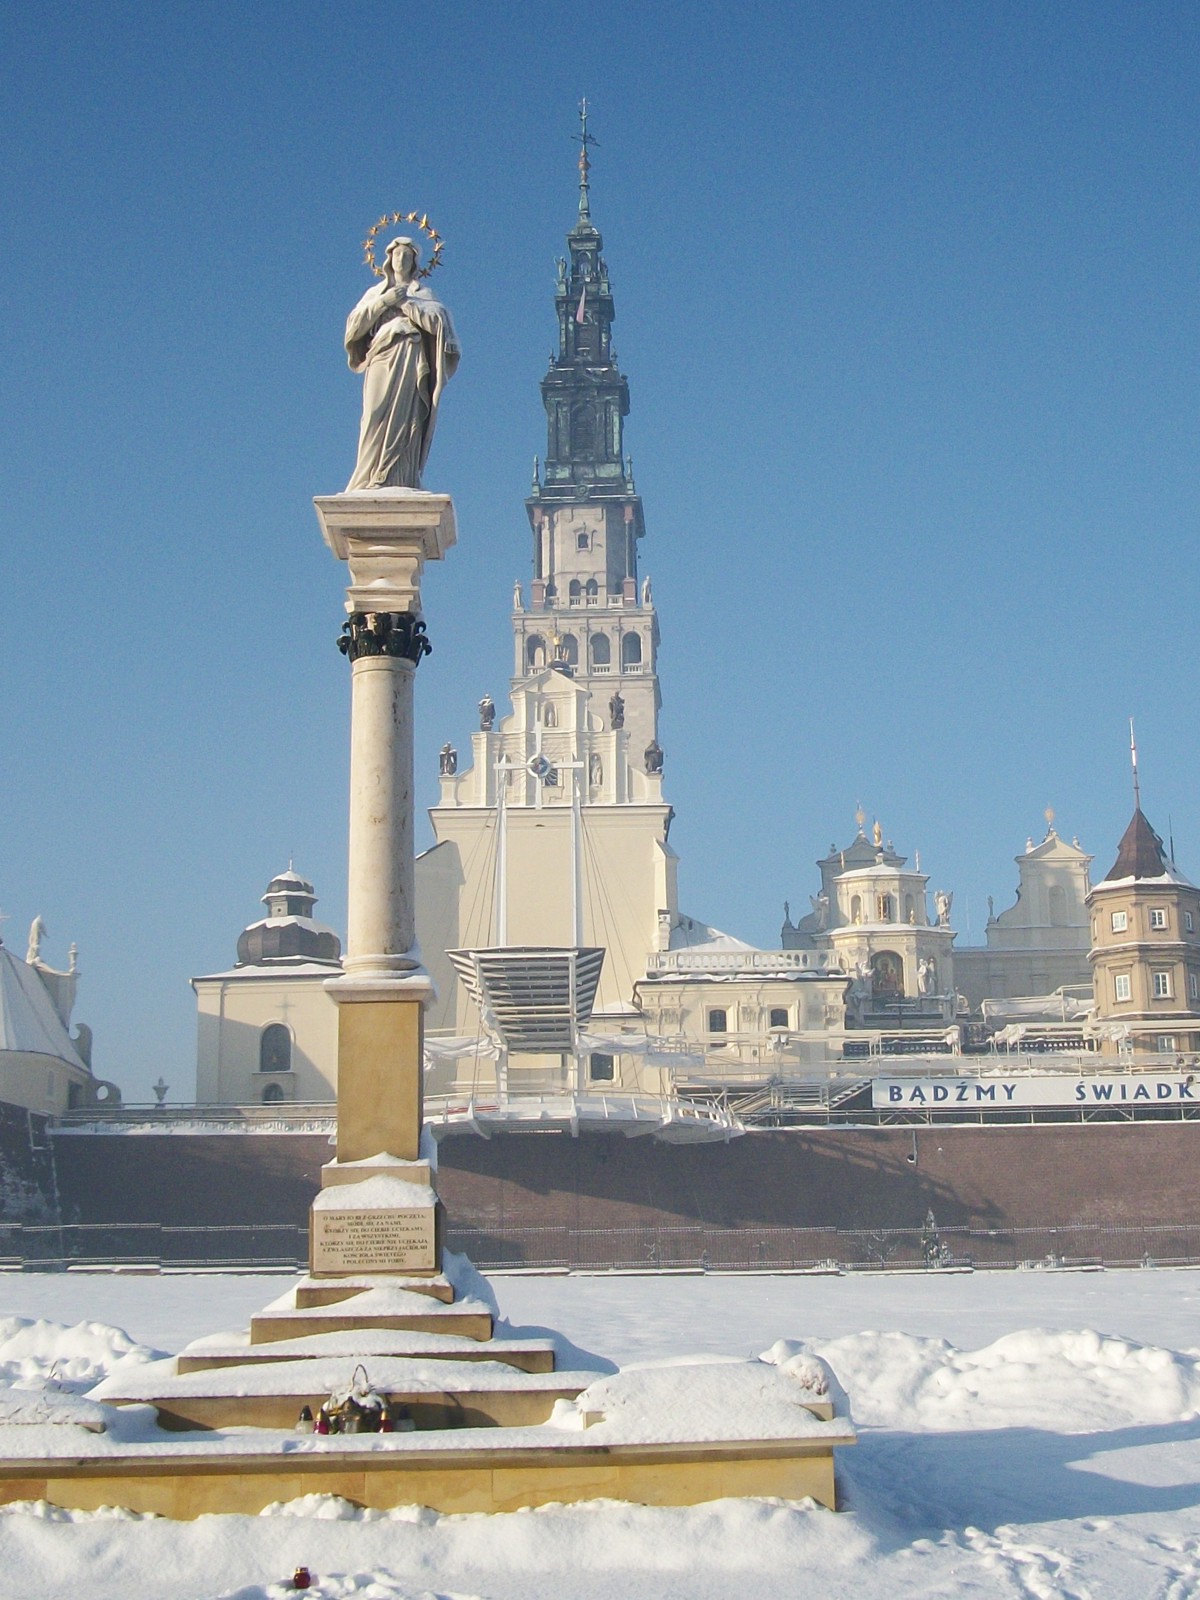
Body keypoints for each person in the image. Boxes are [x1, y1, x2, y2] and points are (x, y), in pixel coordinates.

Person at [344, 238, 460, 490]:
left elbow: (440, 323)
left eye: (407, 255)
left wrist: (407, 304)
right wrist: (385, 302)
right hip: (381, 356)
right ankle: (367, 475)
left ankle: (400, 477)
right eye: (397, 254)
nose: (401, 260)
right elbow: (354, 326)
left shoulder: (423, 294)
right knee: (373, 415)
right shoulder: (375, 293)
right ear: (388, 259)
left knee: (407, 417)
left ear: (415, 262)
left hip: (411, 356)